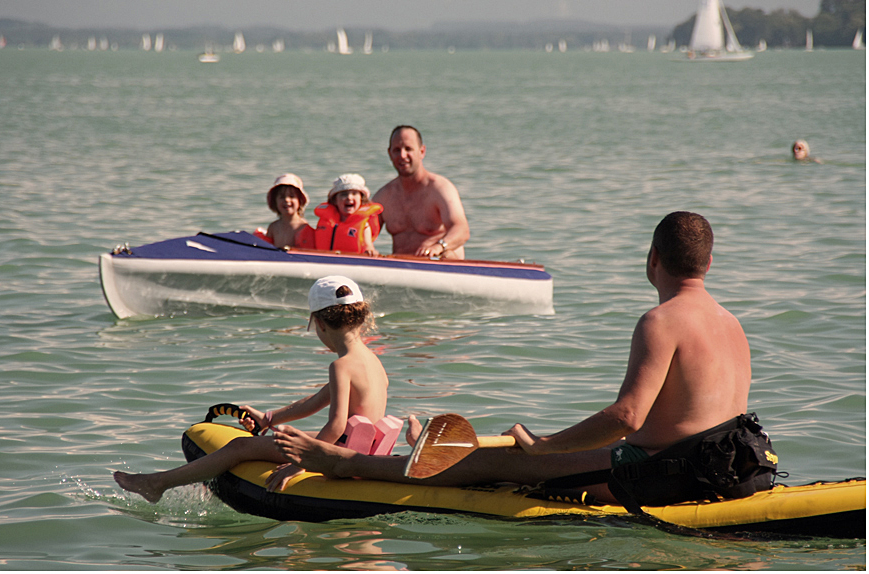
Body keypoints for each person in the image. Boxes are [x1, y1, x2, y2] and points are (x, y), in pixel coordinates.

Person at [270, 212, 757, 502]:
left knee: (487, 463)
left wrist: (546, 446)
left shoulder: (661, 320)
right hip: (730, 469)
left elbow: (627, 417)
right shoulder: (732, 323)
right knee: (510, 448)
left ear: (652, 259)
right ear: (708, 263)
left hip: (661, 475)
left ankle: (339, 461)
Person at [114, 275, 389, 501]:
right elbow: (317, 400)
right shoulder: (370, 361)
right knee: (280, 434)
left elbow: (337, 426)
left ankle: (158, 483)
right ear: (361, 318)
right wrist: (270, 419)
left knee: (239, 447)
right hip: (361, 452)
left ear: (318, 323)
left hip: (338, 454)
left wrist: (300, 463)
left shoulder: (340, 366)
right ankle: (163, 481)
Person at [372, 126, 470, 260]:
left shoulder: (440, 188)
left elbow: (461, 230)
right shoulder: (383, 197)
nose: (402, 155)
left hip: (439, 265)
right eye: (396, 150)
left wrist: (438, 247)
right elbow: (360, 232)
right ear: (389, 154)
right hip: (402, 269)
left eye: (408, 149)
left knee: (448, 254)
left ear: (422, 151)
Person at [314, 174, 382, 256]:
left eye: (354, 194)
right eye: (344, 194)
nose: (349, 197)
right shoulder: (326, 220)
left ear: (361, 199)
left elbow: (368, 246)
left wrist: (370, 250)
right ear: (335, 200)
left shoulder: (365, 225)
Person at [254, 174, 316, 249]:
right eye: (282, 197)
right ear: (275, 202)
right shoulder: (273, 227)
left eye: (292, 196)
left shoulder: (303, 226)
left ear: (300, 201)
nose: (286, 200)